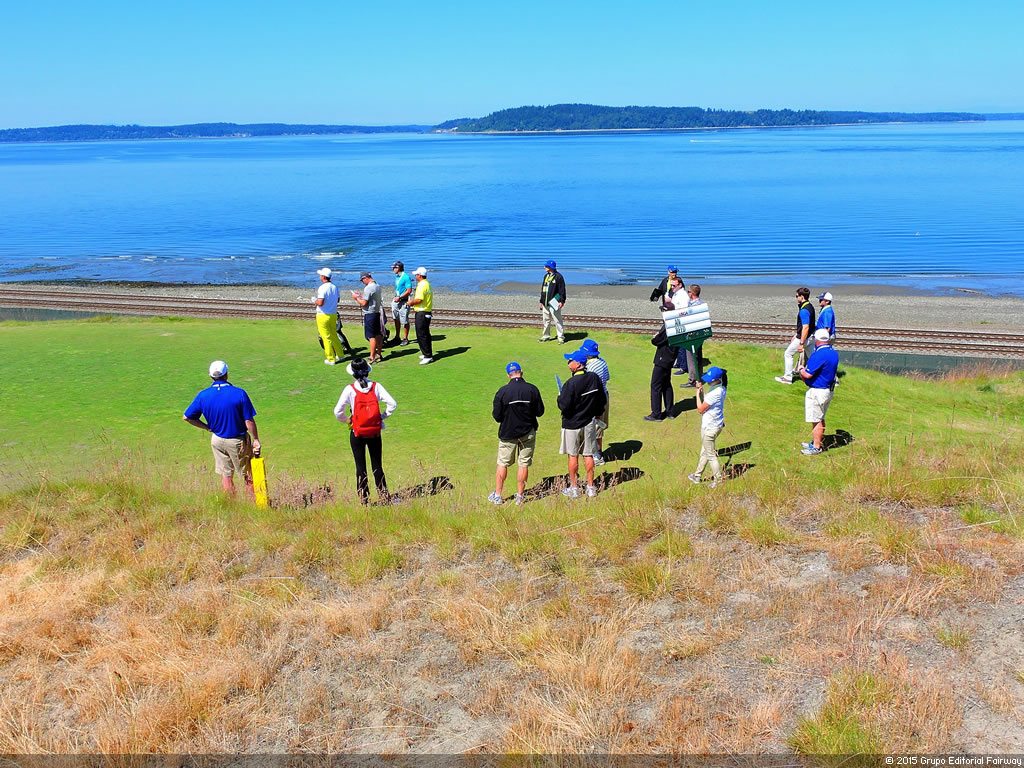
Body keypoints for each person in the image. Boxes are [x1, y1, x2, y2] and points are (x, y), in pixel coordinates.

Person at [182, 360, 261, 498]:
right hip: (237, 441)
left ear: (211, 376)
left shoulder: (203, 395)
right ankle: (254, 504)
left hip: (217, 440)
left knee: (226, 475)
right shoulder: (239, 393)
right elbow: (248, 420)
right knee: (248, 474)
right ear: (227, 374)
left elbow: (187, 417)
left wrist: (207, 427)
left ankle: (230, 504)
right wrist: (256, 440)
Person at [333, 358, 397, 503]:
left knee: (360, 467)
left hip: (357, 433)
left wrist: (348, 420)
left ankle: (364, 499)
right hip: (374, 433)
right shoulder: (376, 386)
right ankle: (384, 496)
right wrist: (381, 417)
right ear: (367, 371)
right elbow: (392, 404)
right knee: (377, 466)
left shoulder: (349, 389)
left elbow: (338, 411)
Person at [490, 361, 545, 505]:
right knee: (524, 464)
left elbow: (497, 416)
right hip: (528, 433)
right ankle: (520, 496)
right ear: (521, 372)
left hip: (508, 434)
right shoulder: (532, 389)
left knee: (502, 463)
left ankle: (497, 495)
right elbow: (540, 412)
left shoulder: (502, 392)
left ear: (508, 375)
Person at [557, 350, 607, 498]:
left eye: (570, 360)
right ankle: (591, 487)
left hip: (572, 425)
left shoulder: (570, 384)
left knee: (573, 456)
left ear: (578, 364)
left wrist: (559, 398)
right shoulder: (594, 378)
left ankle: (574, 488)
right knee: (588, 454)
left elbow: (563, 405)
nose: (568, 363)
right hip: (589, 423)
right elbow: (601, 400)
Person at [798, 329, 840, 455]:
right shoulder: (834, 352)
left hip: (818, 391)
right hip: (827, 390)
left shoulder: (819, 355)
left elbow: (807, 374)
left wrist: (800, 369)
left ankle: (816, 447)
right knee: (820, 417)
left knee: (816, 419)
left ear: (817, 340)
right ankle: (817, 441)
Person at [688, 366, 728, 488]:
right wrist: (701, 390)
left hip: (709, 428)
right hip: (717, 425)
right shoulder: (721, 387)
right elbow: (707, 401)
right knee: (705, 451)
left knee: (710, 455)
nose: (708, 381)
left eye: (710, 379)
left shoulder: (714, 393)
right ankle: (697, 475)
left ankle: (718, 479)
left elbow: (700, 409)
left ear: (716, 379)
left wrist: (697, 393)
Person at [776, 287, 816, 384]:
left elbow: (805, 327)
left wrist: (801, 342)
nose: (796, 298)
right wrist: (796, 334)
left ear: (802, 297)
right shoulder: (810, 306)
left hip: (804, 338)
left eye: (797, 296)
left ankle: (787, 377)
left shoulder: (804, 310)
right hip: (811, 337)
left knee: (788, 354)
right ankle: (818, 376)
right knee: (813, 357)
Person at [579, 338, 610, 465]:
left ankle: (595, 456)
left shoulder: (589, 367)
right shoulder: (602, 362)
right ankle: (598, 452)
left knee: (593, 427)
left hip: (595, 399)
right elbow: (607, 377)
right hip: (604, 395)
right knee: (600, 426)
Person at [312, 267, 346, 365]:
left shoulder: (322, 288)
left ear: (323, 277)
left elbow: (320, 302)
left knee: (326, 337)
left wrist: (314, 300)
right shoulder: (334, 287)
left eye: (320, 275)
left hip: (323, 315)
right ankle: (340, 355)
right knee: (334, 335)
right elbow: (337, 300)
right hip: (333, 314)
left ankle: (331, 358)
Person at [352, 272, 385, 363]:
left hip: (370, 314)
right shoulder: (377, 286)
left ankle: (372, 356)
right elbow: (370, 298)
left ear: (365, 278)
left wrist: (356, 298)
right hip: (376, 312)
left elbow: (363, 303)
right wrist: (361, 296)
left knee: (371, 336)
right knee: (378, 334)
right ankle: (379, 354)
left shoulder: (368, 288)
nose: (362, 282)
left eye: (362, 280)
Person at [646, 326, 676, 421]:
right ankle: (670, 411)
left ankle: (656, 414)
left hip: (663, 358)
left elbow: (658, 340)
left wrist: (655, 337)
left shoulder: (669, 324)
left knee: (655, 385)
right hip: (670, 357)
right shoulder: (677, 323)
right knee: (666, 384)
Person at [681, 284, 705, 387]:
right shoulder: (701, 303)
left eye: (689, 292)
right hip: (699, 334)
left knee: (691, 357)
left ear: (692, 293)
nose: (688, 293)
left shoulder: (694, 306)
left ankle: (693, 380)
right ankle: (699, 377)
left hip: (692, 334)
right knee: (698, 356)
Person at [407, 266, 433, 365]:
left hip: (422, 312)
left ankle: (428, 355)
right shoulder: (427, 284)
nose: (415, 276)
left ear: (420, 275)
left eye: (416, 275)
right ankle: (426, 353)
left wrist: (410, 303)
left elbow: (419, 299)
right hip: (426, 312)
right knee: (424, 334)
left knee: (422, 334)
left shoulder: (422, 285)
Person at [539, 260, 567, 344]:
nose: (544, 267)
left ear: (551, 267)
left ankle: (561, 337)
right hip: (545, 302)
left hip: (554, 302)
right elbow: (543, 290)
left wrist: (562, 301)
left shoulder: (559, 277)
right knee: (546, 320)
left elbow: (562, 290)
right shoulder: (546, 276)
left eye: (546, 266)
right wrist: (541, 301)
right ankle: (546, 336)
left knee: (557, 320)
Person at [390, 261, 413, 346]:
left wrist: (400, 297)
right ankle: (397, 337)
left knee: (405, 320)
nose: (392, 269)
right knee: (396, 318)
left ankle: (405, 338)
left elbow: (409, 290)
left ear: (398, 268)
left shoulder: (406, 277)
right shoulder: (397, 277)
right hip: (396, 300)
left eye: (394, 267)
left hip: (403, 301)